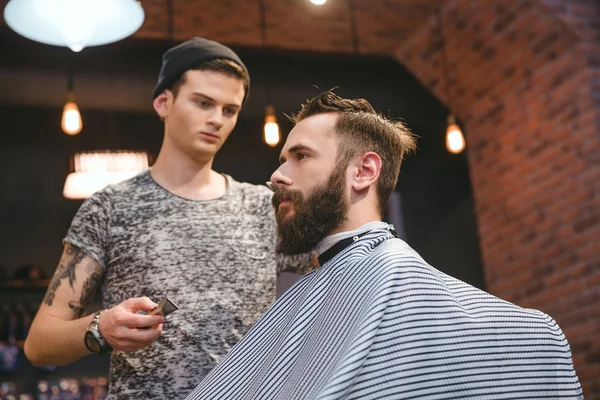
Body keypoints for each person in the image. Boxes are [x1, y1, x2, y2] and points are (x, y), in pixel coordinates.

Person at [185, 91, 583, 400]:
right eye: (282, 159)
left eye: (300, 156)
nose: (276, 175)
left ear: (363, 171)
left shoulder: (392, 277)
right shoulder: (318, 282)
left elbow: (530, 340)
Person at [24, 37, 311, 399]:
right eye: (203, 103)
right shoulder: (110, 207)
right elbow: (39, 343)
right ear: (164, 102)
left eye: (229, 110)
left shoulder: (263, 207)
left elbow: (340, 277)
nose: (216, 119)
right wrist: (102, 328)